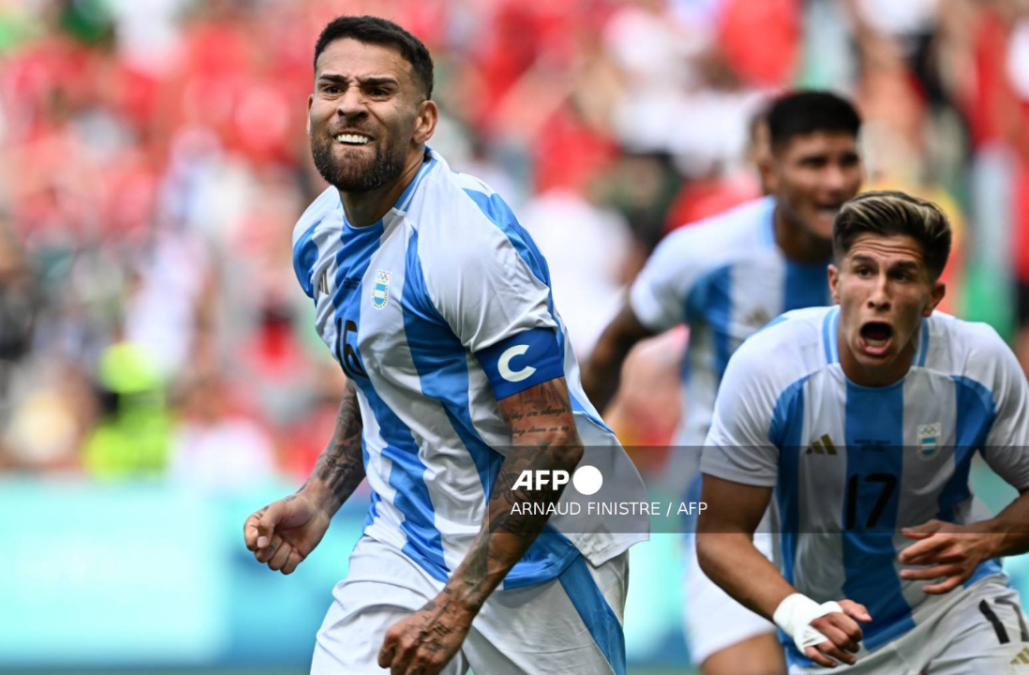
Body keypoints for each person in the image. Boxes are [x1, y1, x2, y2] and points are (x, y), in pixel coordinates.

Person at [242, 16, 647, 675]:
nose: (350, 103)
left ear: (424, 119)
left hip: (544, 558)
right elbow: (377, 364)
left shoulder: (468, 243)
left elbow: (551, 439)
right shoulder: (316, 235)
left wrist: (457, 605)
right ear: (311, 105)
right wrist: (321, 495)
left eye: (377, 90)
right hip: (405, 544)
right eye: (333, 86)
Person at [582, 90, 864, 675]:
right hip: (733, 522)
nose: (834, 182)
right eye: (814, 163)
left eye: (847, 161)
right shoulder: (706, 255)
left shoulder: (886, 259)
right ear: (768, 172)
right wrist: (569, 458)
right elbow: (613, 344)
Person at [697, 190, 1029, 673]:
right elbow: (719, 534)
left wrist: (987, 539)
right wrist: (797, 612)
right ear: (835, 283)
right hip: (835, 638)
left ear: (933, 298)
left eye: (902, 276)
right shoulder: (771, 367)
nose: (879, 294)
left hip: (957, 613)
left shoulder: (977, 361)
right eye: (864, 271)